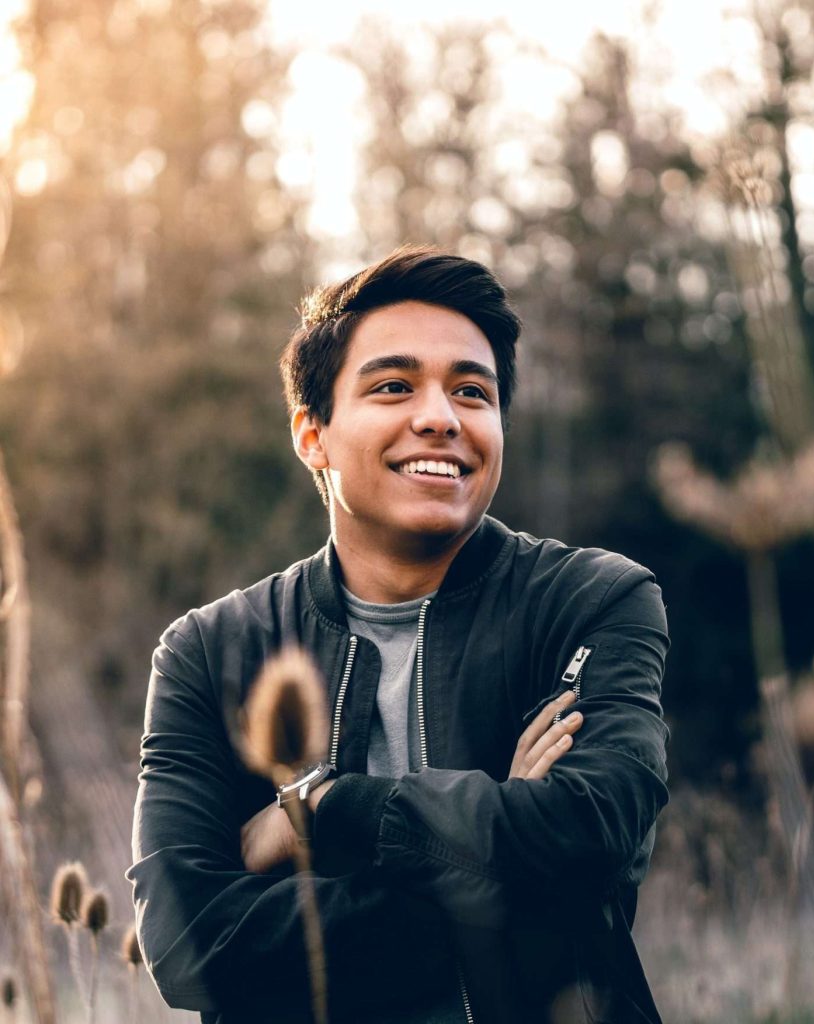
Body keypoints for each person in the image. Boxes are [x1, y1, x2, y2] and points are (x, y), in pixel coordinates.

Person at [128, 246, 669, 1024]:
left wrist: (326, 809)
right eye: (393, 386)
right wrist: (502, 868)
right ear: (311, 434)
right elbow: (188, 949)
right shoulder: (211, 652)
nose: (441, 417)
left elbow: (594, 833)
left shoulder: (590, 600)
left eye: (471, 392)